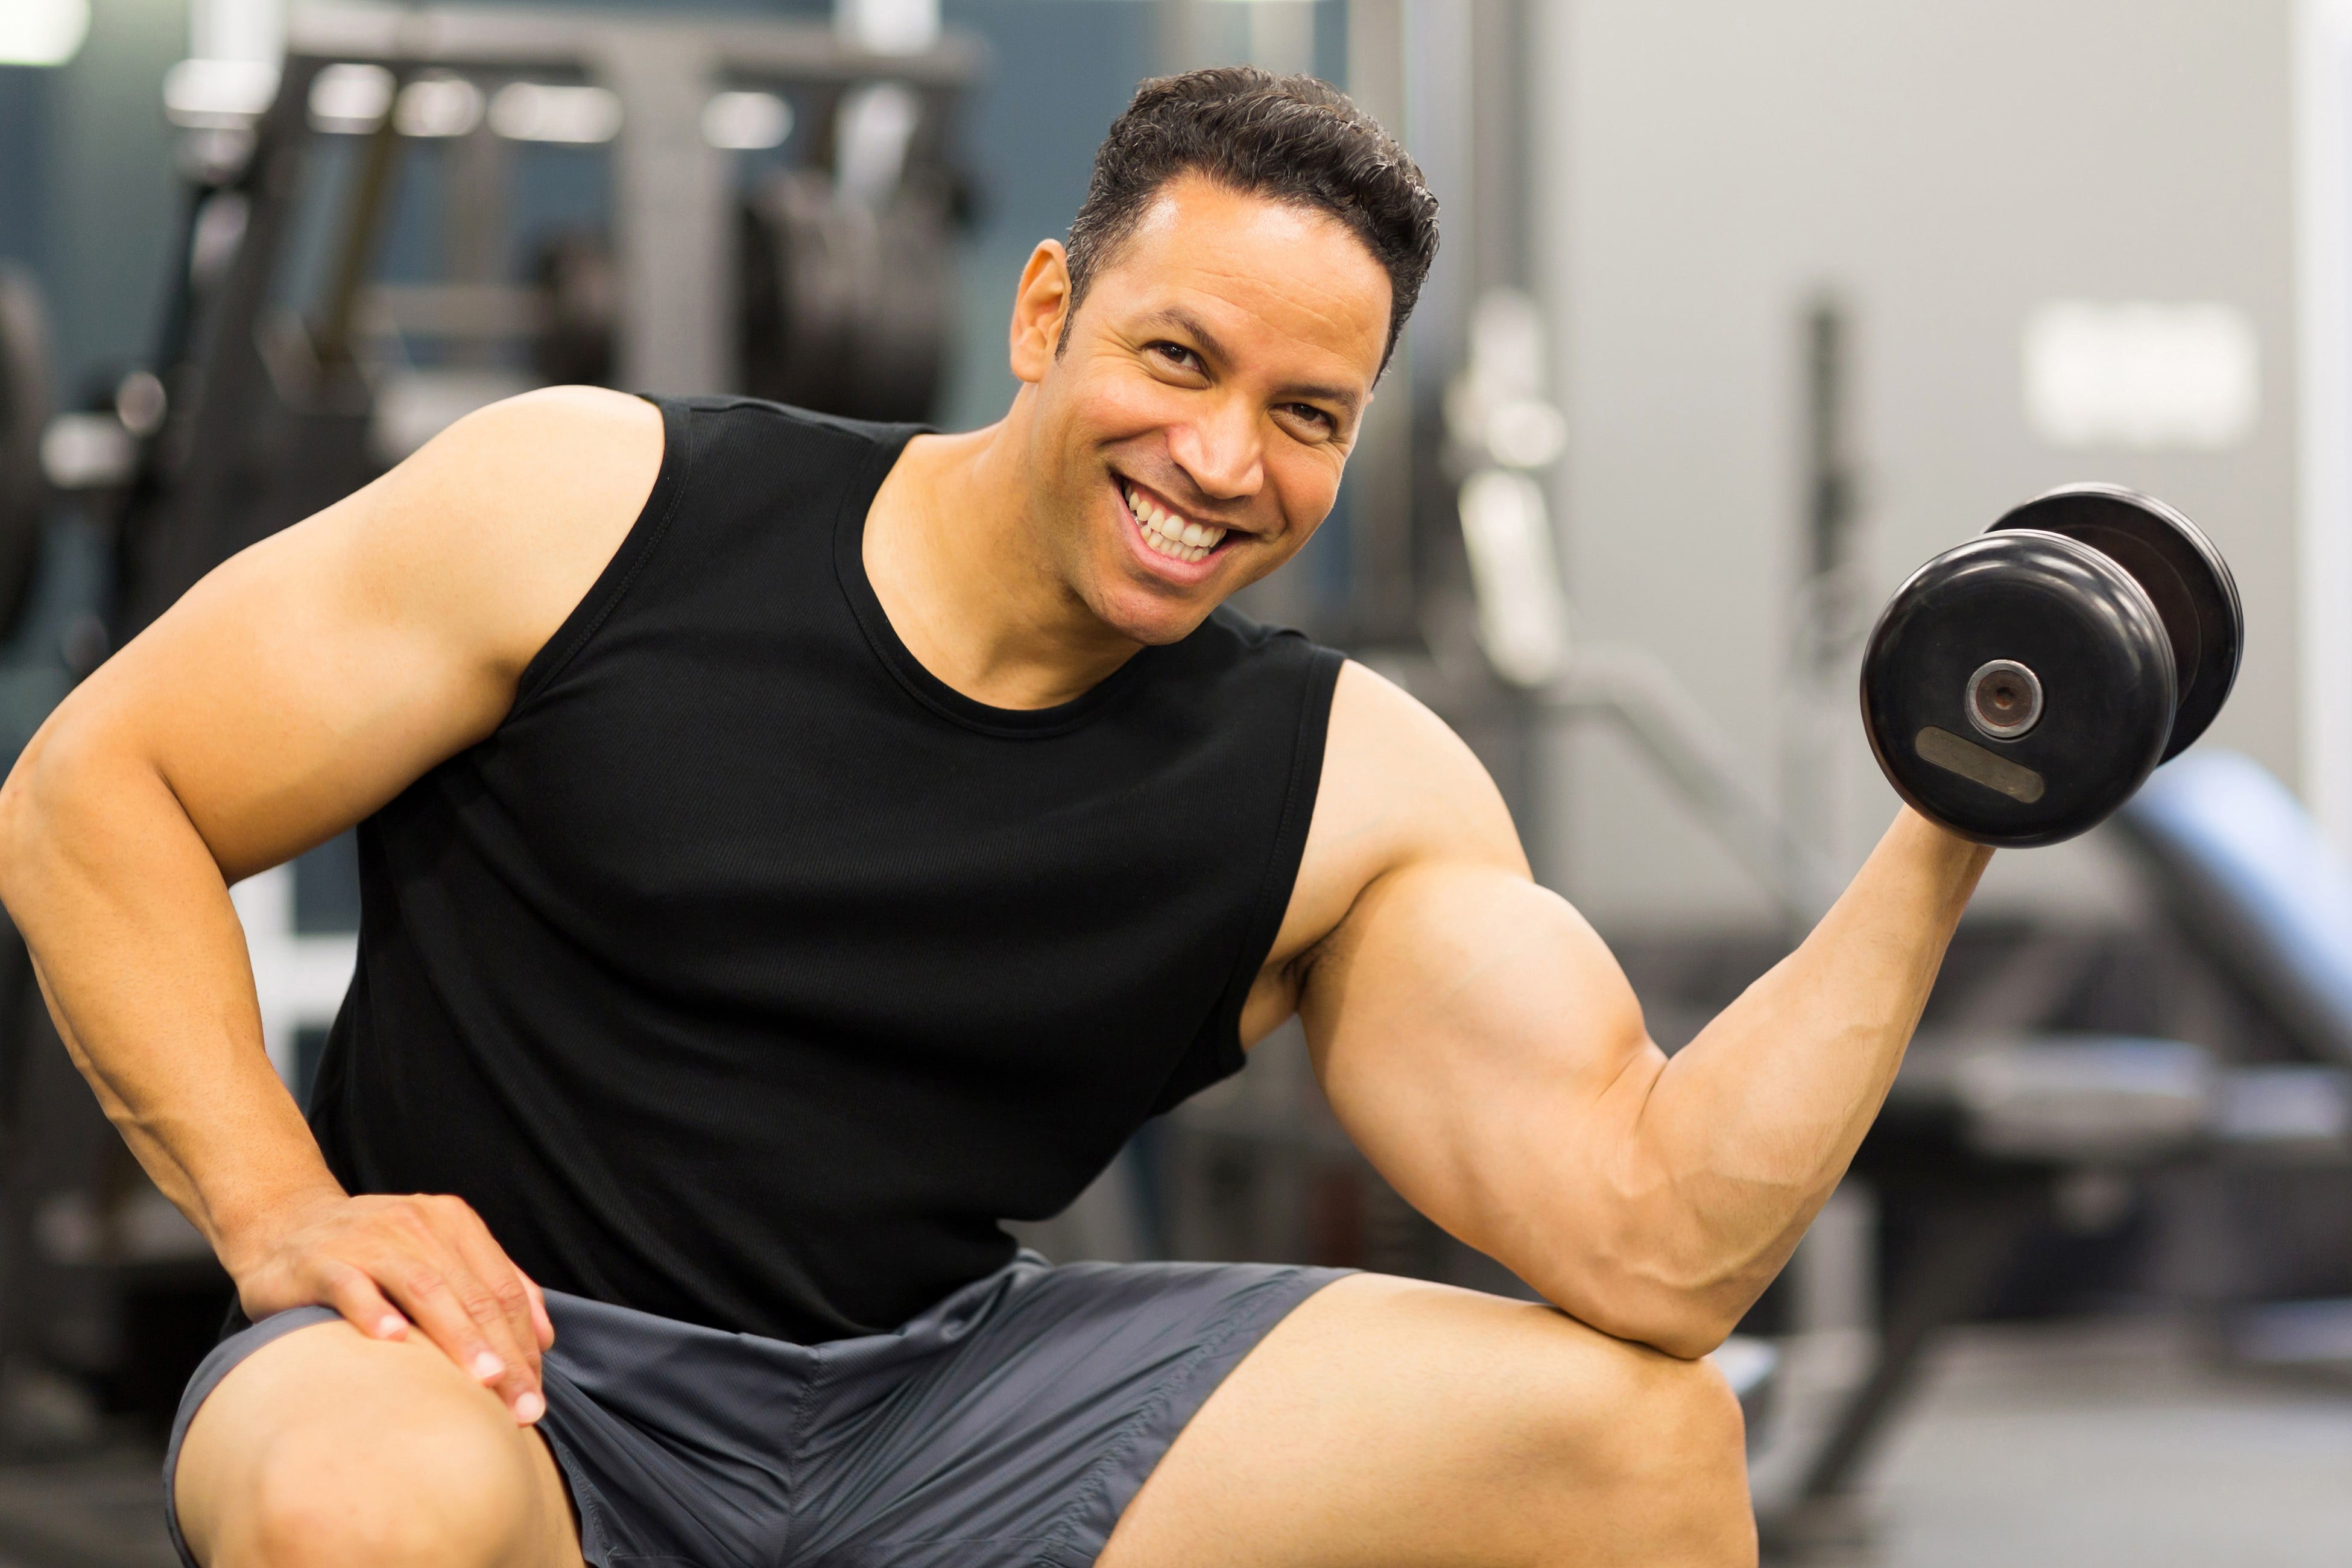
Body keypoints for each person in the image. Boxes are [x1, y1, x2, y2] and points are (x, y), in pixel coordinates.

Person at [0, 68, 1987, 1568]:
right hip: (495, 1368)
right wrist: (277, 1211)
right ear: (1046, 311)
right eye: (1176, 357)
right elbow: (100, 785)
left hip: (940, 1401)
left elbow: (1655, 1251)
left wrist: (1951, 817)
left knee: (1637, 1446)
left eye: (1306, 415)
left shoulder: (1338, 788)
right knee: (359, 1497)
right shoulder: (593, 511)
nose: (1220, 460)